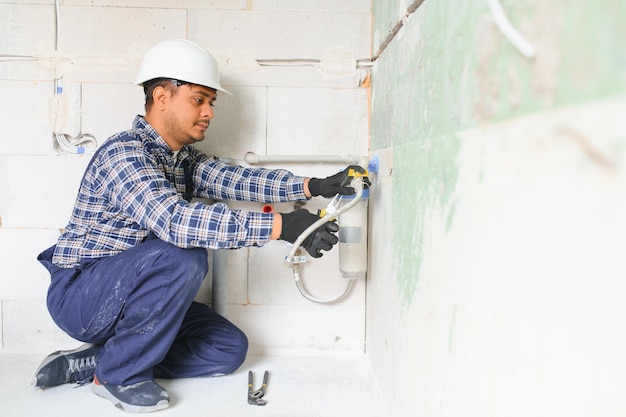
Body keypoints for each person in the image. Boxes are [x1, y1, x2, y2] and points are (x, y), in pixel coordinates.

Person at [32, 39, 368, 413]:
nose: (209, 112)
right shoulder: (124, 154)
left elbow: (237, 181)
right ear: (162, 97)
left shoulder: (181, 160)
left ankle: (103, 360)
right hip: (82, 296)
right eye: (199, 99)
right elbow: (175, 221)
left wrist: (313, 186)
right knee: (183, 256)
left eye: (212, 102)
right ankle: (118, 377)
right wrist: (279, 225)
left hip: (130, 301)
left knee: (227, 349)